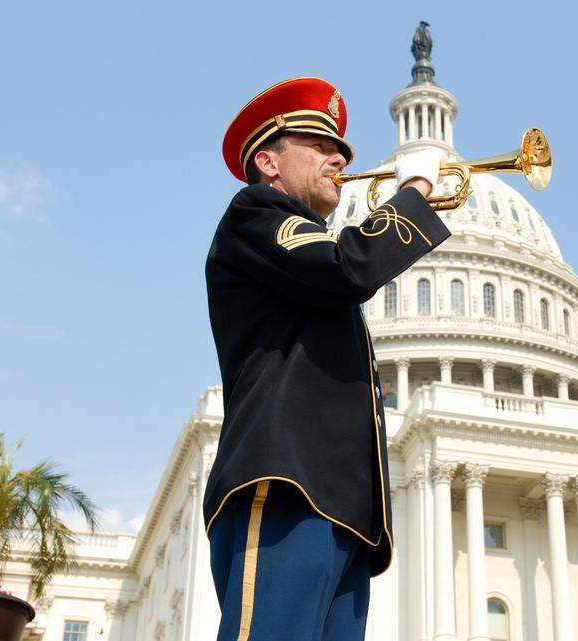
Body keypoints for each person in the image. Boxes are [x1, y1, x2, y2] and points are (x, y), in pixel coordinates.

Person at [204, 77, 449, 641]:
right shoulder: (256, 213)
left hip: (344, 507)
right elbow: (346, 267)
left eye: (337, 148)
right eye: (318, 145)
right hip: (287, 478)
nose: (337, 157)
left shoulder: (299, 248)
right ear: (267, 161)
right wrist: (410, 193)